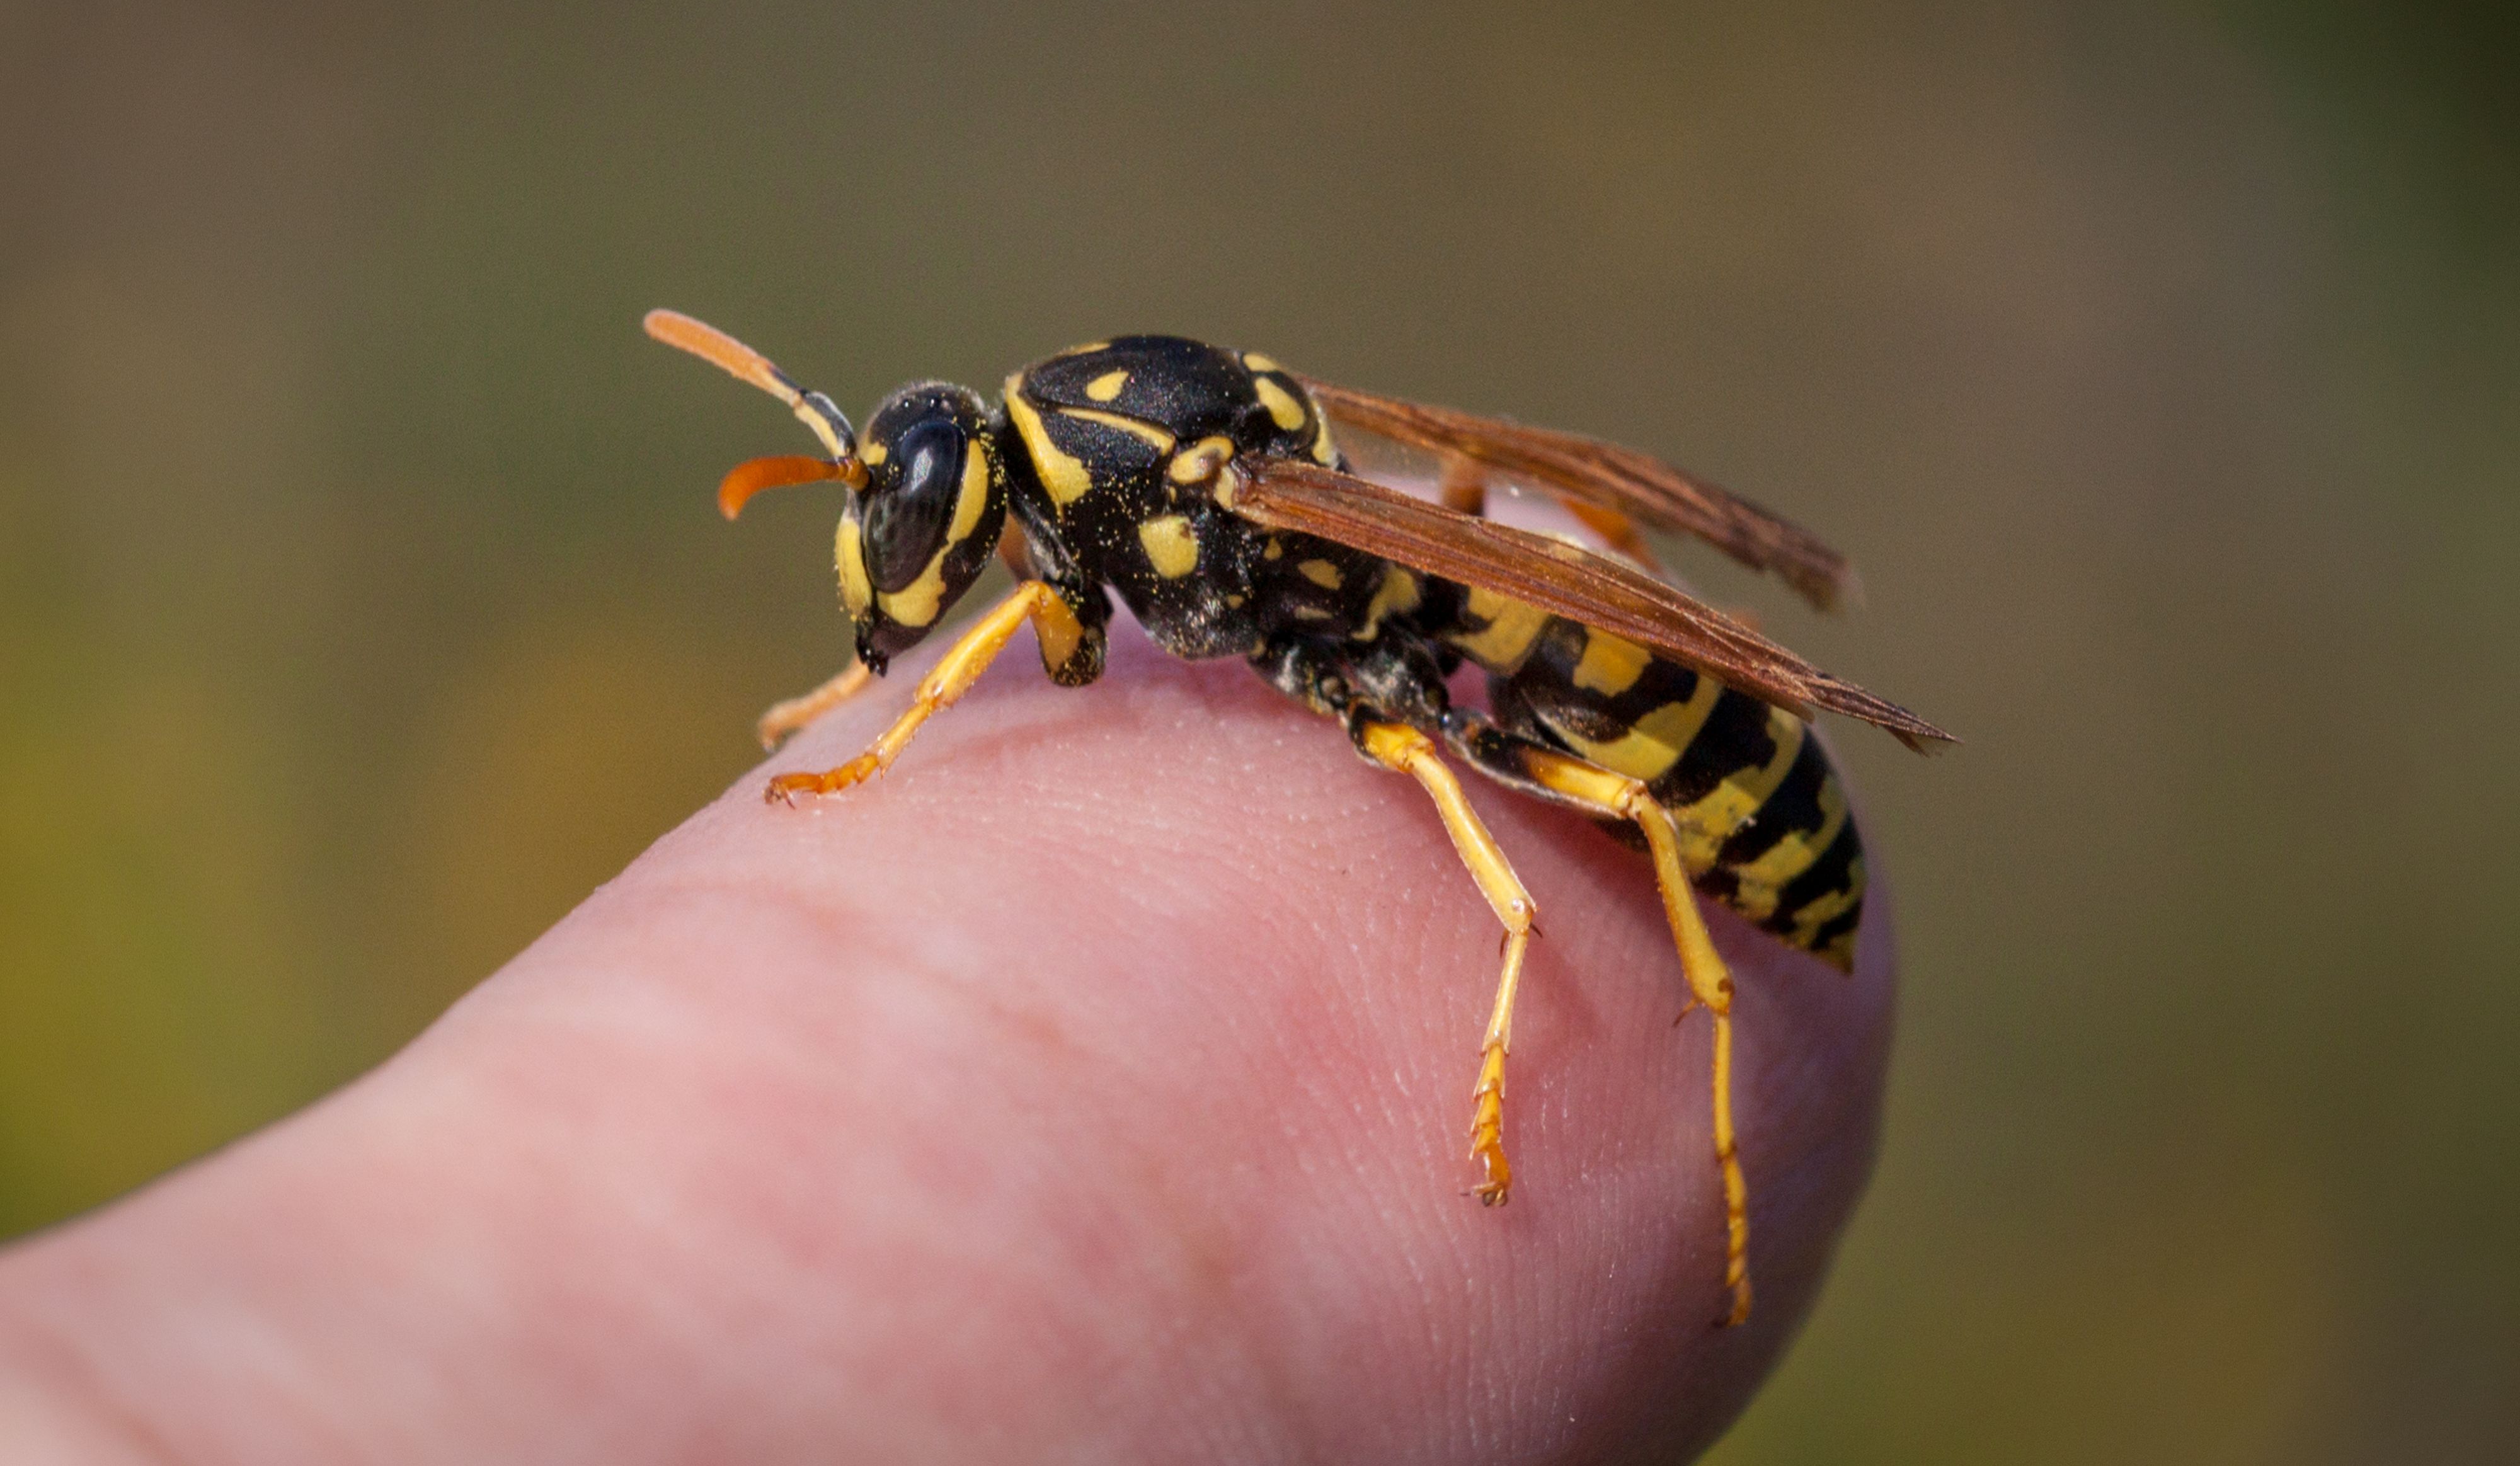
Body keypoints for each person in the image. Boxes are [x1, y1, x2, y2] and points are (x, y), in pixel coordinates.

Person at [0, 622, 1892, 1462]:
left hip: (1696, 790)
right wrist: (865, 700)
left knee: (1609, 823)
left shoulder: (1255, 555)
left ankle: (1710, 1143)